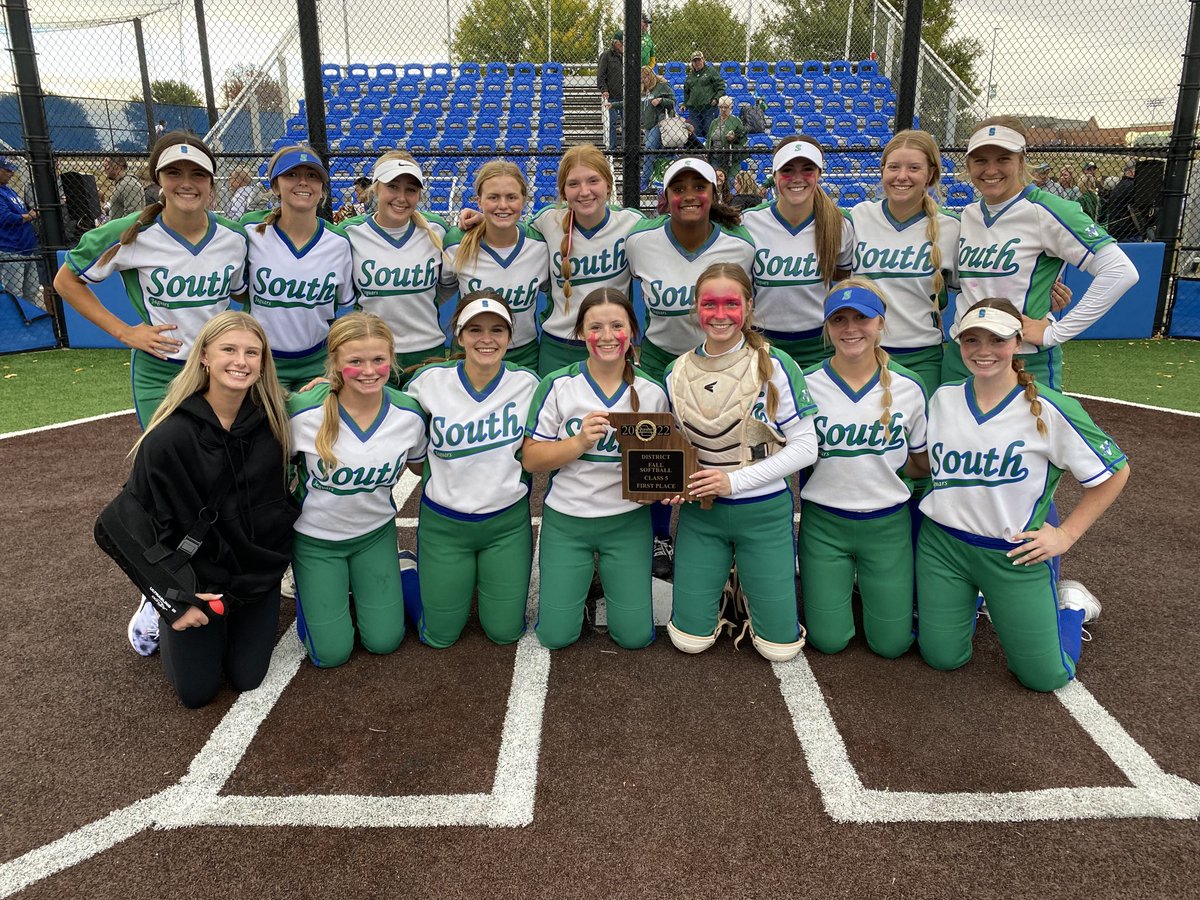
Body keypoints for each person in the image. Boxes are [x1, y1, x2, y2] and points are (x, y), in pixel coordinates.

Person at [917, 298, 1130, 692]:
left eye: (996, 339)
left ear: (1017, 342)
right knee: (943, 658)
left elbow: (1115, 471)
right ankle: (977, 600)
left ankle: (1072, 607)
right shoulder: (943, 397)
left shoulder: (1049, 408)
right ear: (959, 344)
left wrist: (1065, 535)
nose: (983, 351)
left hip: (1013, 553)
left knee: (1045, 677)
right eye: (971, 340)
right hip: (943, 547)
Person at [122, 310, 298, 707]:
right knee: (197, 694)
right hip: (193, 579)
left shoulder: (275, 422)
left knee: (247, 679)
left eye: (253, 353)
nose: (241, 361)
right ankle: (154, 611)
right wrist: (171, 596)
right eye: (229, 350)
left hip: (254, 575)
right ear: (203, 356)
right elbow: (125, 523)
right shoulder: (169, 435)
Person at [662, 263, 818, 662]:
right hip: (703, 513)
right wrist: (671, 483)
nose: (719, 314)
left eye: (731, 303)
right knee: (688, 640)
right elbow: (678, 447)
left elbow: (805, 449)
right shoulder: (675, 371)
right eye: (709, 303)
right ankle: (727, 592)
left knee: (779, 649)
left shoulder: (775, 363)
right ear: (695, 307)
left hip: (762, 510)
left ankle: (745, 591)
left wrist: (734, 482)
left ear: (748, 306)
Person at [56, 132, 247, 428]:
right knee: (167, 461)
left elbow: (240, 295)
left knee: (221, 458)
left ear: (211, 183)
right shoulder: (130, 232)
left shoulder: (233, 237)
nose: (186, 183)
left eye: (198, 174)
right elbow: (65, 281)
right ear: (158, 179)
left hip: (217, 370)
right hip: (159, 370)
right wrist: (124, 332)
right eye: (174, 173)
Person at [523, 288, 668, 650]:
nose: (606, 336)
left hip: (627, 522)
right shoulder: (558, 385)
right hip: (568, 521)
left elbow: (666, 462)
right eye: (595, 327)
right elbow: (531, 459)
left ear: (632, 332)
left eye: (617, 325)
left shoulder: (652, 391)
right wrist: (578, 443)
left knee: (634, 637)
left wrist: (669, 486)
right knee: (555, 637)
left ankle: (604, 584)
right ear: (579, 333)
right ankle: (579, 592)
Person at [948, 118, 1138, 390]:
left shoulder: (1049, 210)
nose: (991, 169)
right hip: (961, 354)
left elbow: (1120, 272)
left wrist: (1054, 333)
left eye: (1003, 158)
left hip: (1023, 359)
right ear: (968, 166)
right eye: (980, 160)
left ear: (1022, 161)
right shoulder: (969, 215)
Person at [287, 312, 428, 668]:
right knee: (330, 655)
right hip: (315, 541)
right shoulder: (303, 411)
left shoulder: (408, 414)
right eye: (355, 361)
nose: (369, 370)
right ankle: (315, 589)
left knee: (385, 641)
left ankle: (403, 568)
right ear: (335, 361)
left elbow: (421, 466)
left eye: (379, 359)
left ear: (392, 359)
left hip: (374, 536)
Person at [798, 280, 929, 658]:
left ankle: (865, 584)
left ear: (881, 323)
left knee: (891, 646)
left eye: (862, 318)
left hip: (887, 526)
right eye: (839, 319)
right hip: (824, 525)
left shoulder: (909, 386)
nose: (850, 328)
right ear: (827, 326)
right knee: (828, 641)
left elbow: (920, 463)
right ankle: (849, 583)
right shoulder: (805, 384)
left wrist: (881, 479)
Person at [405, 292, 540, 647]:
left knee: (505, 633)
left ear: (511, 337)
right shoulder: (427, 382)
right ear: (459, 335)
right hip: (444, 525)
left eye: (497, 330)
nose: (486, 339)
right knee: (440, 637)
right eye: (475, 329)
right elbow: (381, 407)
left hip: (506, 525)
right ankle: (407, 571)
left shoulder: (528, 384)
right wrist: (330, 385)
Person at [847, 129, 959, 392]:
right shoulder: (857, 217)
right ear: (883, 170)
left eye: (914, 168)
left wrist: (1049, 285)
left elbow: (979, 283)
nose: (902, 176)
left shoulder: (951, 227)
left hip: (921, 359)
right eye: (893, 167)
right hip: (863, 354)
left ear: (930, 174)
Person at [626, 157, 755, 384]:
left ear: (714, 193)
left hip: (722, 360)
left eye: (699, 187)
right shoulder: (640, 241)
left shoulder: (740, 245)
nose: (688, 195)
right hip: (659, 360)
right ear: (665, 197)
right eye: (678, 189)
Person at [241, 145, 355, 390]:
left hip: (318, 360)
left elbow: (345, 310)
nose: (303, 182)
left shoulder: (338, 242)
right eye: (291, 174)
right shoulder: (251, 232)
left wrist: (337, 361)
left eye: (312, 176)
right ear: (274, 185)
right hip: (264, 361)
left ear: (322, 188)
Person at [529, 143, 645, 376]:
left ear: (609, 185)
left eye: (593, 181)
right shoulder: (547, 222)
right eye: (573, 184)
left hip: (611, 345)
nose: (584, 191)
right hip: (559, 347)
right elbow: (506, 234)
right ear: (563, 192)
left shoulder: (633, 224)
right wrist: (476, 220)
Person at [341, 151, 454, 385]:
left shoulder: (437, 230)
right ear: (376, 188)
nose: (401, 198)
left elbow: (445, 287)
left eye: (411, 190)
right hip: (372, 354)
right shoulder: (350, 233)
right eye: (393, 187)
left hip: (427, 353)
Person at [740, 137, 854, 369]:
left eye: (808, 169)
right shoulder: (750, 222)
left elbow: (843, 284)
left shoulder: (840, 224)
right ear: (774, 175)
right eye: (788, 170)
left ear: (819, 174)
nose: (797, 178)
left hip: (820, 345)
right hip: (763, 343)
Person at [444, 161, 548, 371]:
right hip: (471, 355)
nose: (503, 205)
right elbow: (441, 290)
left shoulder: (540, 245)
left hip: (524, 356)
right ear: (478, 201)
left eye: (511, 197)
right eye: (493, 197)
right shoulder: (457, 242)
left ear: (524, 200)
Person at [0, 155, 42, 311]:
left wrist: (27, 214)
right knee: (15, 293)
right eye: (7, 170)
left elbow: (21, 210)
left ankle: (32, 321)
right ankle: (18, 327)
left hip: (27, 248)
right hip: (11, 250)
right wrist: (29, 216)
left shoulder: (8, 190)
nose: (11, 174)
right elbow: (5, 218)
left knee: (31, 292)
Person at [638, 65, 677, 192]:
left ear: (650, 75)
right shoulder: (644, 90)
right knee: (657, 152)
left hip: (659, 124)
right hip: (648, 126)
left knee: (649, 149)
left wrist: (661, 100)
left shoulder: (661, 86)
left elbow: (672, 102)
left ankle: (644, 180)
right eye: (641, 78)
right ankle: (657, 178)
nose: (643, 80)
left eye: (645, 77)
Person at [681, 50, 725, 143]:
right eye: (695, 61)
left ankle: (710, 155)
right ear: (692, 63)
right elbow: (686, 92)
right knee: (696, 136)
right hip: (694, 111)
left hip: (709, 109)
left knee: (710, 134)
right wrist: (685, 104)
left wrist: (716, 99)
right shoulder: (690, 76)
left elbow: (721, 86)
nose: (697, 63)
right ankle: (699, 155)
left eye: (699, 60)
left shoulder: (711, 71)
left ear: (703, 60)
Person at [707, 96, 747, 181]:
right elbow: (708, 140)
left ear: (731, 108)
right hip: (715, 157)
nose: (723, 110)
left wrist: (733, 138)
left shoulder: (736, 121)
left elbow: (743, 139)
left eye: (726, 107)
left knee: (730, 182)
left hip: (730, 158)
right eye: (721, 107)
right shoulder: (714, 122)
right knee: (716, 180)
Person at [597, 31, 624, 151]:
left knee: (626, 122)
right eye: (621, 43)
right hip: (612, 94)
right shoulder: (606, 56)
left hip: (624, 94)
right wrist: (604, 89)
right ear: (615, 43)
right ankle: (613, 147)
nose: (623, 46)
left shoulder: (626, 56)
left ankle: (625, 147)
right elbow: (601, 75)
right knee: (613, 122)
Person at [1105, 159, 1140, 242]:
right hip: (1129, 232)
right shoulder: (1132, 186)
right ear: (1132, 171)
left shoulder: (1120, 185)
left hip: (1117, 229)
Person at [103, 156, 146, 221]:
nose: (105, 169)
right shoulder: (122, 183)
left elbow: (133, 214)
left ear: (117, 166)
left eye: (107, 166)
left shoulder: (128, 184)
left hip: (123, 230)